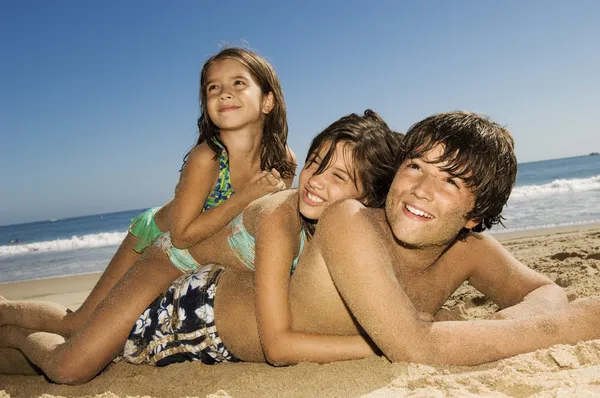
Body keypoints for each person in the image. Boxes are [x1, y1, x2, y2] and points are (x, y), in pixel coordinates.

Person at [3, 111, 600, 383]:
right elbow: (412, 344)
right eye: (417, 166)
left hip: (220, 354)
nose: (421, 187)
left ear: (476, 216)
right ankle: (10, 314)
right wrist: (577, 323)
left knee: (61, 353)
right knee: (69, 359)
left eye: (452, 181)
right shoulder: (348, 224)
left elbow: (541, 288)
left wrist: (541, 307)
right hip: (188, 311)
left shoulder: (470, 251)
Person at [0, 109, 403, 377]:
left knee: (82, 326)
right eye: (316, 163)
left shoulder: (340, 225)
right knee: (73, 363)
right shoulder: (284, 220)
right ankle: (14, 331)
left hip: (204, 272)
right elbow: (277, 346)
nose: (315, 181)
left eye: (339, 177)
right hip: (168, 261)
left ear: (368, 196)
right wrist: (376, 344)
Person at [0, 47, 296, 337]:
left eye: (238, 83)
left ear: (267, 101)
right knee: (79, 324)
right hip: (156, 237)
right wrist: (243, 198)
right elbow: (181, 235)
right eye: (212, 88)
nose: (223, 93)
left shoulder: (282, 160)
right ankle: (5, 312)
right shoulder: (207, 159)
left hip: (199, 254)